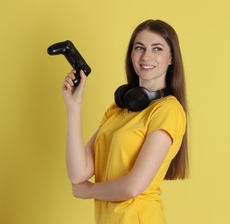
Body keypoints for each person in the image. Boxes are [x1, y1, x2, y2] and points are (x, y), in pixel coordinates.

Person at [62, 19, 189, 224]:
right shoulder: (118, 109)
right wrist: (73, 107)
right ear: (131, 55)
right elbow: (78, 173)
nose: (146, 56)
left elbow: (134, 186)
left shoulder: (168, 111)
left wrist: (90, 191)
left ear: (171, 58)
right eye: (139, 48)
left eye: (157, 48)